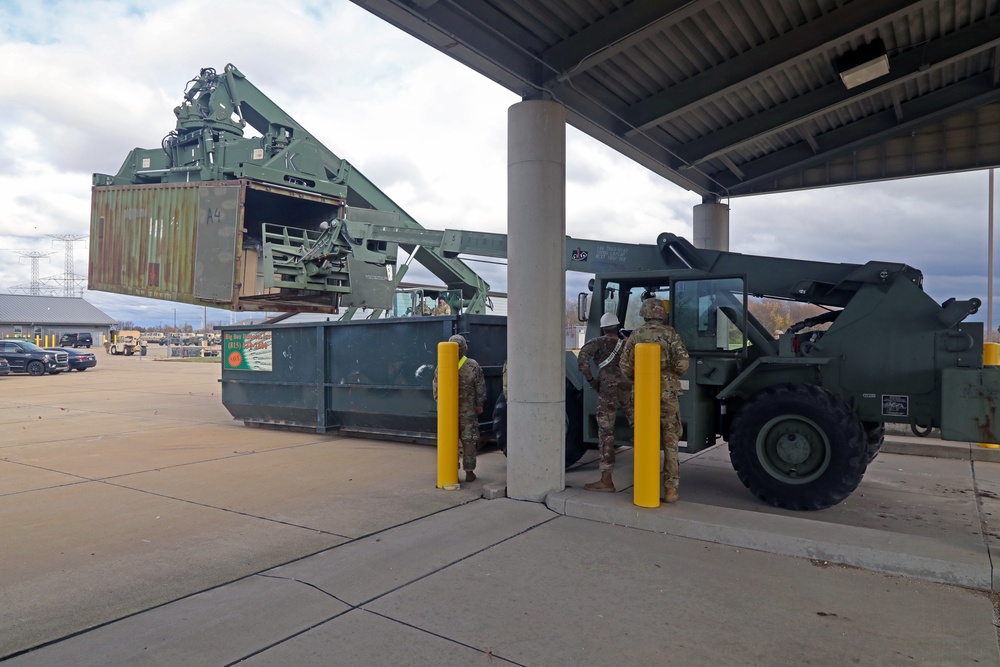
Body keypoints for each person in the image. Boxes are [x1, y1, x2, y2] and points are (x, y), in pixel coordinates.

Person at [620, 298, 690, 503]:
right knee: (670, 440)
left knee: (643, 439)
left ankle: (644, 485)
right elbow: (683, 363)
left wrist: (640, 376)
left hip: (643, 392)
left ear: (644, 313)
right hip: (667, 393)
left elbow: (624, 367)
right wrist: (669, 372)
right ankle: (670, 489)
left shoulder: (636, 335)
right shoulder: (670, 334)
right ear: (662, 314)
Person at [577, 312, 634, 492]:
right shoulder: (627, 344)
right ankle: (645, 476)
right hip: (628, 388)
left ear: (603, 328)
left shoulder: (597, 343)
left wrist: (592, 380)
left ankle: (606, 480)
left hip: (607, 391)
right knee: (640, 427)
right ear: (617, 326)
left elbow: (582, 359)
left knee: (606, 433)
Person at [433, 334, 486, 482]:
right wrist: (479, 404)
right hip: (468, 411)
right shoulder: (472, 365)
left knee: (450, 440)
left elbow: (436, 387)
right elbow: (480, 386)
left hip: (448, 412)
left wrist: (440, 404)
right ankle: (469, 472)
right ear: (464, 348)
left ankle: (451, 471)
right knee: (469, 440)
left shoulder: (442, 365)